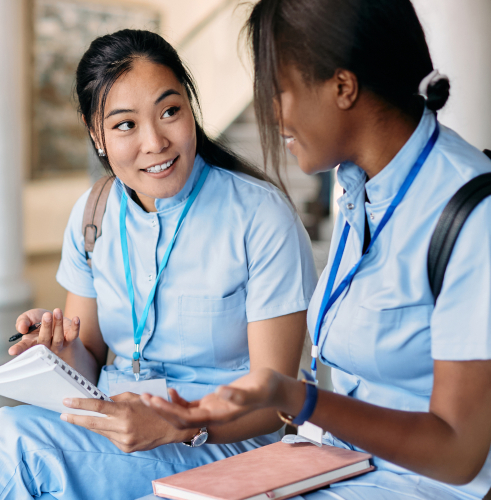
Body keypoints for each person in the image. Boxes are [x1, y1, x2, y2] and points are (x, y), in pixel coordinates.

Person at [143, 1, 491, 499]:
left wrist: (298, 399)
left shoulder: (473, 214)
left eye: (278, 92)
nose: (270, 114)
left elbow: (458, 453)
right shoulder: (359, 190)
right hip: (339, 464)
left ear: (343, 87)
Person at [0, 29, 318, 500]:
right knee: (15, 436)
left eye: (170, 112)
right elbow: (89, 359)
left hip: (225, 445)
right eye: (125, 124)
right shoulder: (94, 214)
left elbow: (278, 403)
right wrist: (58, 350)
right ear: (96, 134)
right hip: (117, 433)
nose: (155, 142)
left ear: (190, 107)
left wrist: (177, 426)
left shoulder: (260, 217)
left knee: (18, 443)